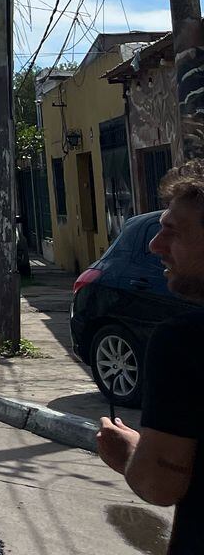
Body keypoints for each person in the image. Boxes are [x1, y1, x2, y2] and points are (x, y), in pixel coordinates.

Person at [97, 159, 204, 553]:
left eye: (172, 232)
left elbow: (159, 485)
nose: (154, 245)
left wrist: (128, 452)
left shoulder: (185, 343)